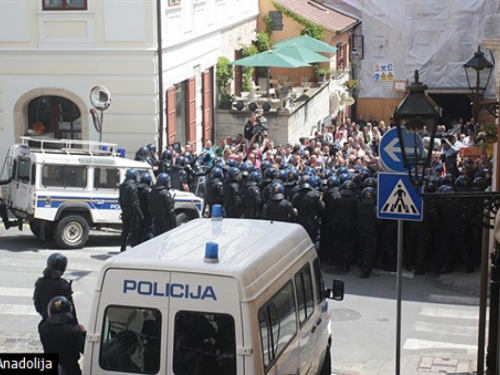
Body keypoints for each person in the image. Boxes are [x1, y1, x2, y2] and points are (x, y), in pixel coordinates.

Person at [39, 296, 86, 375]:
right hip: (71, 369)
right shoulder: (73, 331)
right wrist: (83, 333)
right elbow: (84, 349)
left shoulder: (43, 328)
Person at [34, 253, 78, 325]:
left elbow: (37, 305)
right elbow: (70, 307)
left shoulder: (39, 283)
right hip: (63, 323)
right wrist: (75, 323)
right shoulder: (63, 285)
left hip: (46, 321)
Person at [119, 168, 143, 251]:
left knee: (125, 230)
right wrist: (140, 214)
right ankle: (133, 249)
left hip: (125, 210)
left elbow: (120, 200)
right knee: (134, 231)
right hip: (133, 212)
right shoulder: (132, 186)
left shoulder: (122, 186)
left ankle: (122, 247)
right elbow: (135, 202)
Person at [137, 172, 154, 242]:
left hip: (138, 212)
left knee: (140, 230)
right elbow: (151, 202)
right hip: (147, 212)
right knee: (149, 229)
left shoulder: (136, 188)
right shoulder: (147, 190)